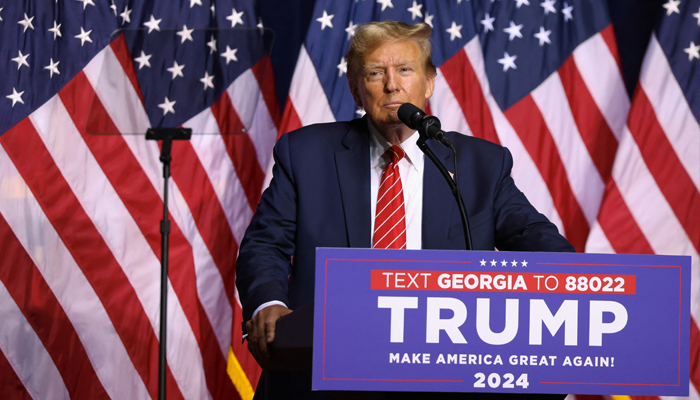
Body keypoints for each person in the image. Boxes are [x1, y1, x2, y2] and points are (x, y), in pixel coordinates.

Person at [236, 20, 573, 400]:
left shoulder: (480, 164)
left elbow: (540, 244)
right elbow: (264, 244)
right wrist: (269, 302)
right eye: (375, 73)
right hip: (322, 374)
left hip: (439, 377)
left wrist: (579, 288)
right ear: (356, 89)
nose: (392, 85)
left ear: (429, 84)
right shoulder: (305, 154)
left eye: (405, 70)